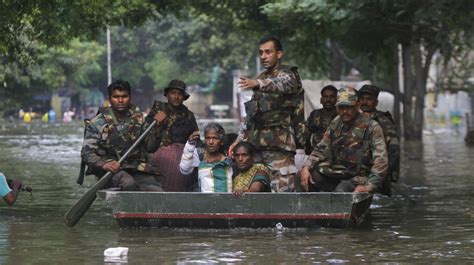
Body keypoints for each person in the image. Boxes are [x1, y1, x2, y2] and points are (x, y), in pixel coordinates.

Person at [230, 36, 306, 192]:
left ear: (279, 54)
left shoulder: (290, 75)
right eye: (260, 53)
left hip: (280, 149)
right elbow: (251, 115)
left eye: (268, 52)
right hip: (256, 149)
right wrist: (239, 139)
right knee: (253, 194)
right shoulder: (260, 78)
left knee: (282, 197)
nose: (263, 56)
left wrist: (258, 84)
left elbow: (285, 84)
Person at [300, 86, 388, 194]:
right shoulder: (336, 122)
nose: (344, 112)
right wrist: (307, 167)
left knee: (342, 191)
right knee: (302, 177)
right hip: (336, 172)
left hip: (358, 177)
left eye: (349, 107)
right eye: (341, 107)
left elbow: (381, 161)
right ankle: (309, 208)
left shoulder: (372, 127)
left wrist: (370, 186)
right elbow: (322, 148)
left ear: (357, 105)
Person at [81, 80, 165, 191]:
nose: (120, 100)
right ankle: (128, 208)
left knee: (157, 190)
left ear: (130, 97)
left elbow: (150, 147)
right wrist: (105, 165)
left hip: (134, 168)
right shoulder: (97, 123)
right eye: (116, 97)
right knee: (128, 183)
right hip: (109, 171)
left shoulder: (139, 118)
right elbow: (87, 153)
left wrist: (158, 127)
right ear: (109, 98)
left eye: (124, 96)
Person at [147, 80, 199, 191]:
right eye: (173, 93)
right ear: (167, 95)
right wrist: (158, 125)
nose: (176, 97)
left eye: (180, 94)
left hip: (180, 156)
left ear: (184, 97)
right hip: (156, 153)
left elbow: (196, 138)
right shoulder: (157, 109)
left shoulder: (189, 115)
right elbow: (146, 137)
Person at [359, 84, 400, 194]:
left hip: (374, 168)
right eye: (362, 99)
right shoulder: (353, 117)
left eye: (369, 99)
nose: (364, 102)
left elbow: (394, 149)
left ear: (376, 102)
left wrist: (383, 174)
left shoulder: (383, 121)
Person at [180, 123, 233, 192]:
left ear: (221, 141)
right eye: (208, 138)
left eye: (215, 138)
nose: (211, 142)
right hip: (203, 201)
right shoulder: (199, 155)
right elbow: (184, 169)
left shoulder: (228, 161)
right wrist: (190, 145)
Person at [305, 85, 338, 154]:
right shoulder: (314, 115)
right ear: (321, 100)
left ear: (337, 99)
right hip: (317, 154)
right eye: (325, 96)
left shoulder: (342, 115)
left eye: (332, 97)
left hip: (337, 154)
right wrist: (308, 153)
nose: (328, 100)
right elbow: (306, 136)